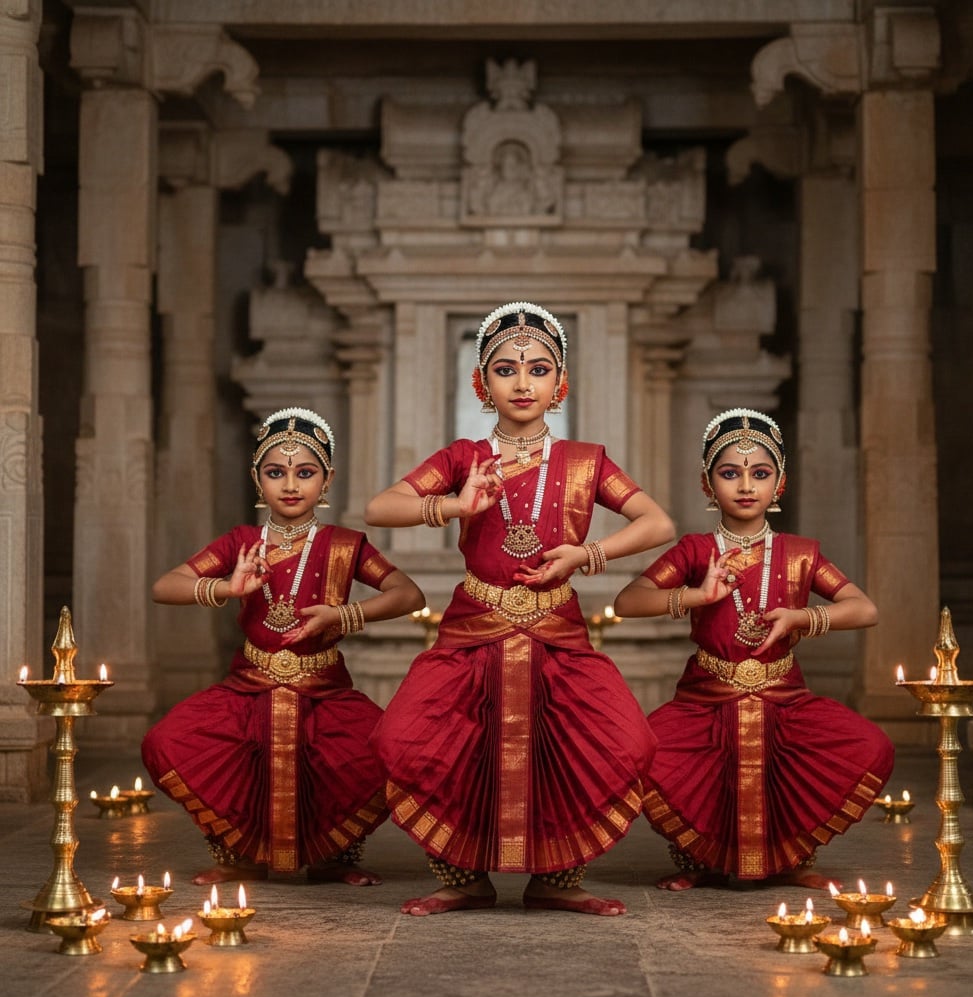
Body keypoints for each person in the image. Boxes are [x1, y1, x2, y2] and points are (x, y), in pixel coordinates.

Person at [365, 300, 674, 916]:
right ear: (482, 384)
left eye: (538, 369)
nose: (523, 382)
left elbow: (657, 521)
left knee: (615, 743)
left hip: (556, 629)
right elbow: (380, 508)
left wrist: (586, 554)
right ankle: (462, 875)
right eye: (506, 369)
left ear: (560, 385)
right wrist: (453, 507)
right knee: (412, 740)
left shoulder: (585, 463)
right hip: (473, 628)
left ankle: (558, 879)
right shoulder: (462, 459)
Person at [613, 408, 894, 891]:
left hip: (784, 698)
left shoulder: (801, 553)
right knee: (637, 754)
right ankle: (698, 858)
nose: (746, 485)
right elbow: (627, 601)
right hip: (706, 698)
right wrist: (697, 596)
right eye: (730, 473)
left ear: (778, 484)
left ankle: (794, 857)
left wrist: (803, 617)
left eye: (760, 473)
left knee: (870, 747)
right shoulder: (694, 551)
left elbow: (863, 608)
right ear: (708, 484)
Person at [142, 407, 424, 886]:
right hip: (249, 688)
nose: (290, 484)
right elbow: (165, 586)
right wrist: (225, 590)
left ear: (326, 480)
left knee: (390, 754)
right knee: (167, 742)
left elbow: (408, 594)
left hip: (323, 691)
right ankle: (238, 853)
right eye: (276, 472)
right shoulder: (242, 543)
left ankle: (336, 855)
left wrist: (344, 615)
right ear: (258, 479)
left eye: (305, 472)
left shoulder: (344, 544)